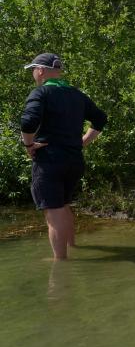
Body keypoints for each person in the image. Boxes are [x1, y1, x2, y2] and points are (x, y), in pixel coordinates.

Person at [20, 53, 107, 259]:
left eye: (33, 70)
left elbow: (28, 122)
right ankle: (72, 247)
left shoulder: (41, 92)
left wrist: (28, 144)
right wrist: (82, 142)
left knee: (54, 211)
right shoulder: (76, 94)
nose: (33, 74)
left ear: (40, 71)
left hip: (50, 160)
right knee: (64, 205)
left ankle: (60, 263)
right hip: (74, 160)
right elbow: (100, 119)